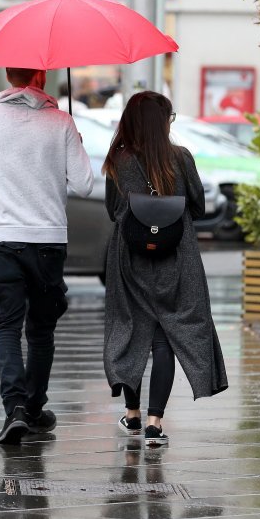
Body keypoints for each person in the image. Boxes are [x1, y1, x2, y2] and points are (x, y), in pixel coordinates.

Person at [0, 67, 94, 445]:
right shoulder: (61, 122)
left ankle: (14, 409)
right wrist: (71, 142)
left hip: (2, 239)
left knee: (5, 327)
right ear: (41, 76)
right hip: (48, 241)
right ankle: (33, 407)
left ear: (8, 76)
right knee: (41, 330)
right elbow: (84, 184)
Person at [101, 91, 228, 445]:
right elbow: (199, 206)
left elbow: (113, 211)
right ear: (163, 123)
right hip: (177, 258)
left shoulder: (118, 160)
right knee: (164, 339)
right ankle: (156, 422)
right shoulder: (181, 158)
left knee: (131, 332)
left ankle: (132, 415)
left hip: (131, 260)